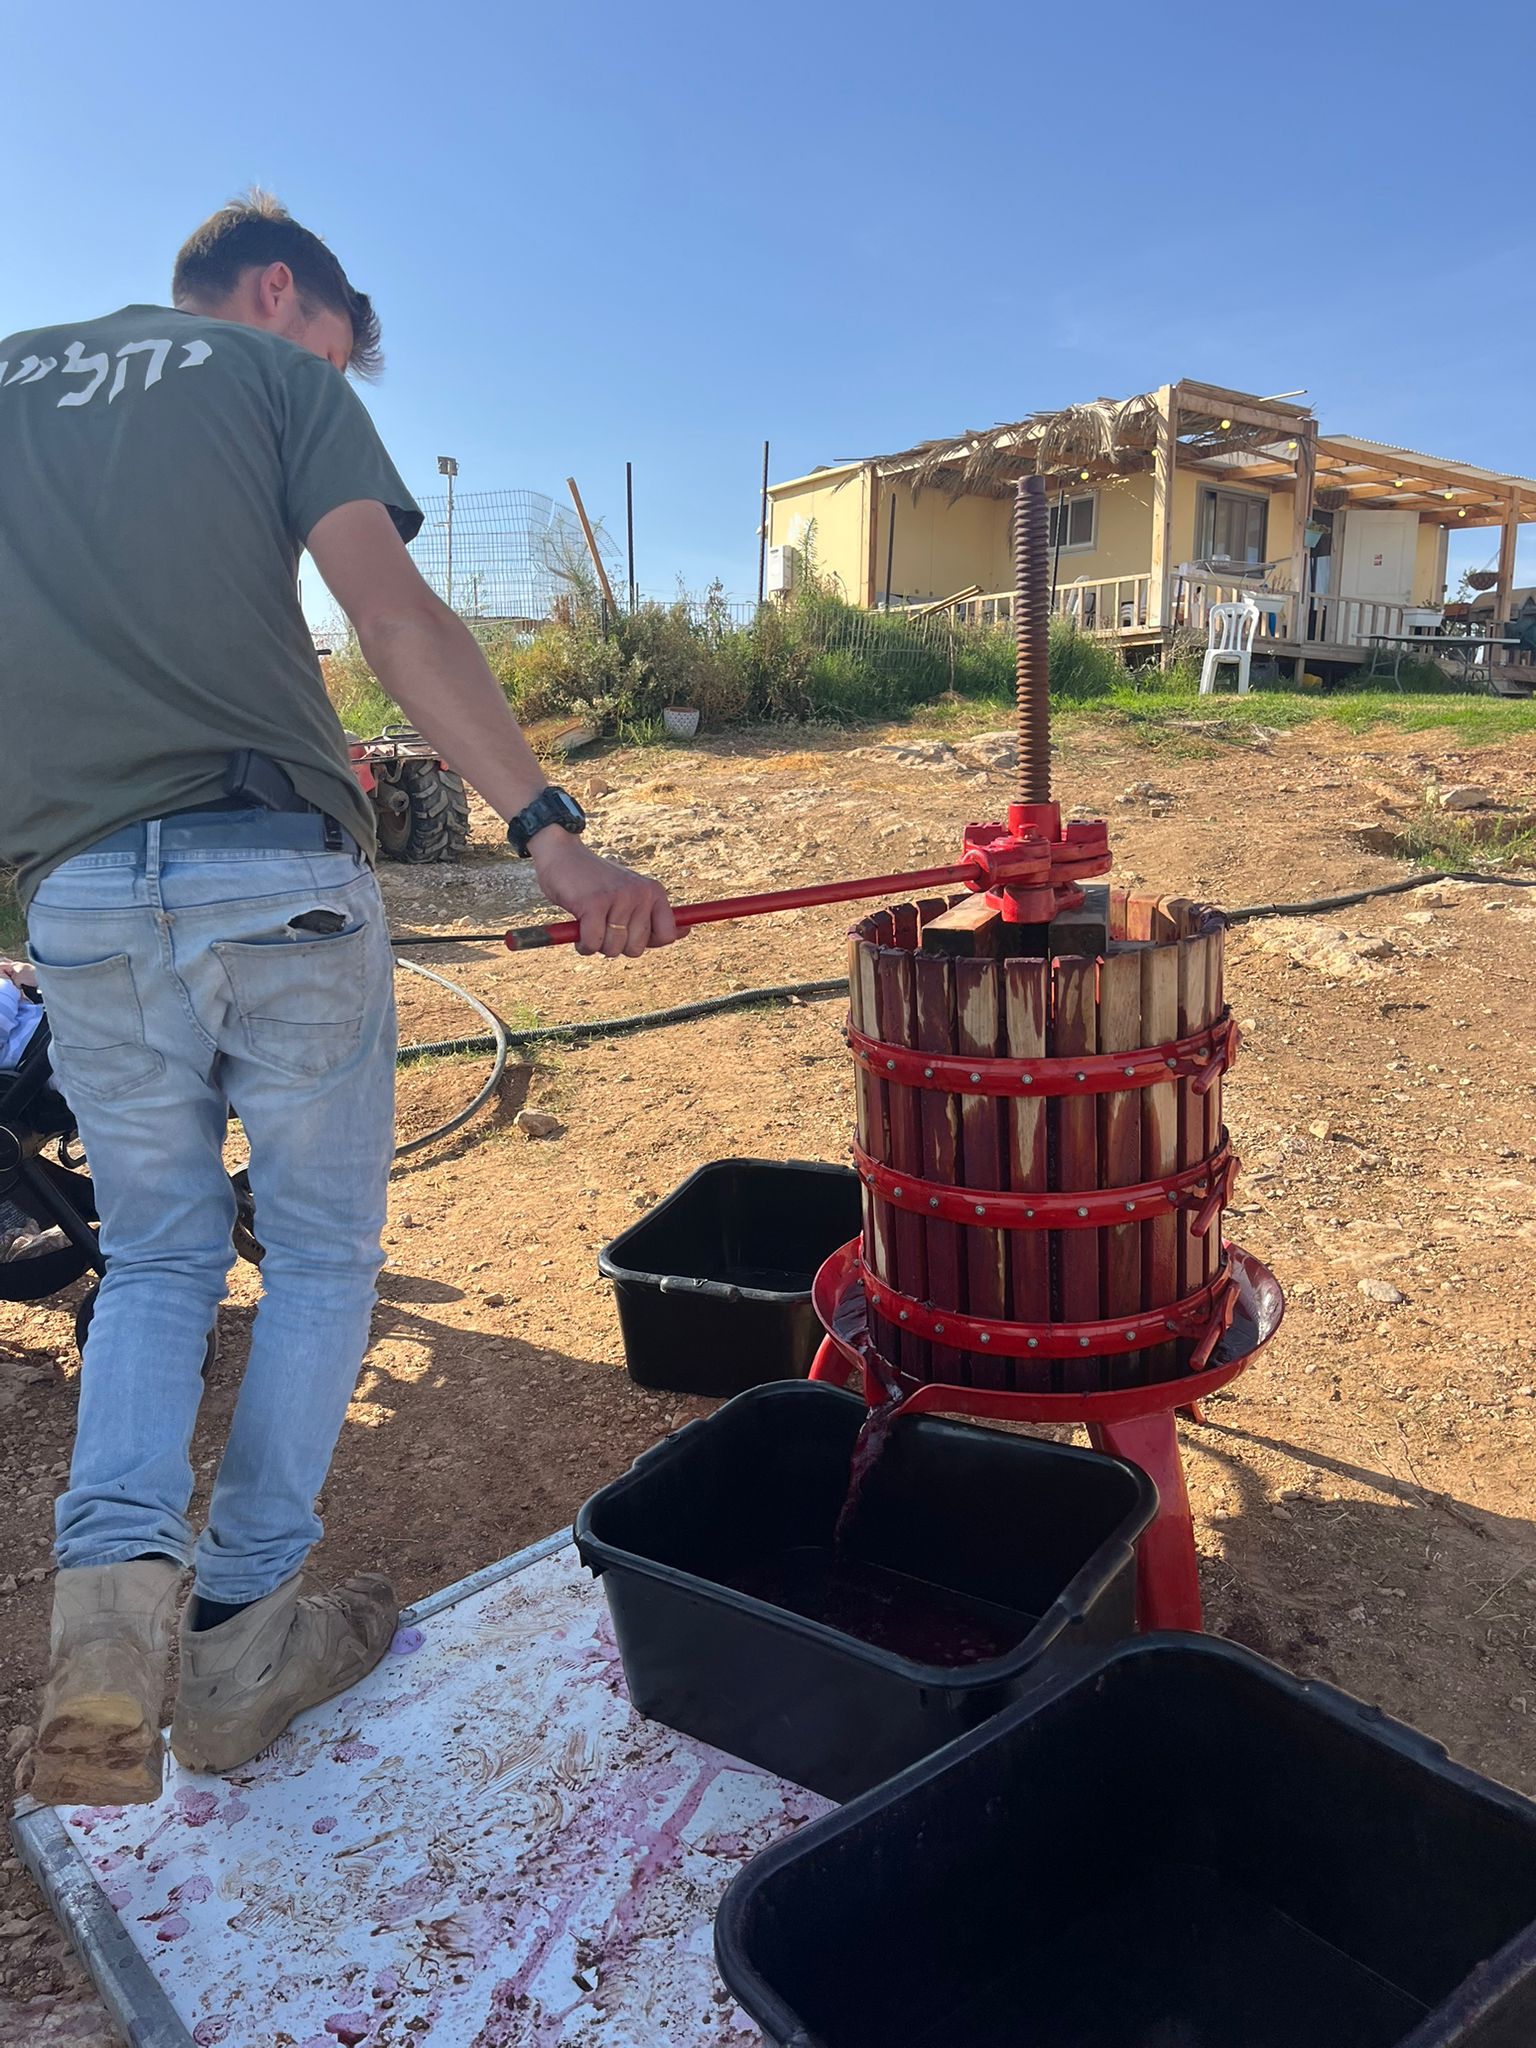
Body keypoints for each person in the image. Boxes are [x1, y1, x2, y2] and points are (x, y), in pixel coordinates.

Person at [0, 191, 677, 1806]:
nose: (343, 367)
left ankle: (104, 1633)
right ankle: (240, 1648)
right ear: (285, 292)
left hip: (77, 899)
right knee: (312, 1254)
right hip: (273, 869)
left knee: (160, 1253)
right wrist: (551, 838)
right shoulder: (276, 378)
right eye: (343, 345)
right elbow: (388, 615)